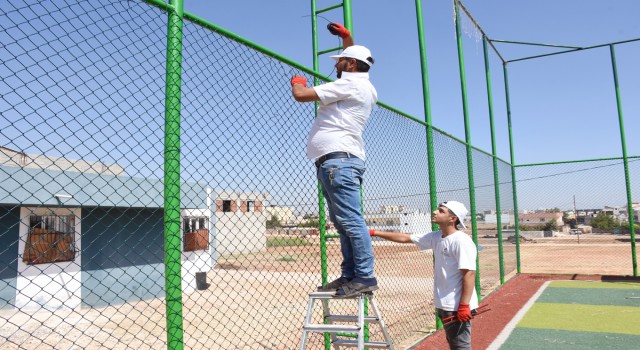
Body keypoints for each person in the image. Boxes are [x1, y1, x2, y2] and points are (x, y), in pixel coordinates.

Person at [290, 22, 378, 298]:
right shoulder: (361, 83)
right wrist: (347, 37)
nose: (337, 65)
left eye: (340, 62)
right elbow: (354, 57)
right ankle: (350, 275)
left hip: (338, 162)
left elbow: (301, 96)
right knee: (343, 222)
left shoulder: (349, 84)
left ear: (350, 65)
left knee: (350, 221)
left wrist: (298, 82)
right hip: (339, 161)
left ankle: (364, 277)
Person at [371, 201, 479, 350]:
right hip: (445, 303)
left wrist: (464, 306)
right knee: (455, 345)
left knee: (461, 347)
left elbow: (469, 273)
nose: (435, 212)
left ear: (452, 218)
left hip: (457, 305)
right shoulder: (436, 236)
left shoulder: (461, 241)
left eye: (441, 211)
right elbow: (406, 238)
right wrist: (374, 233)